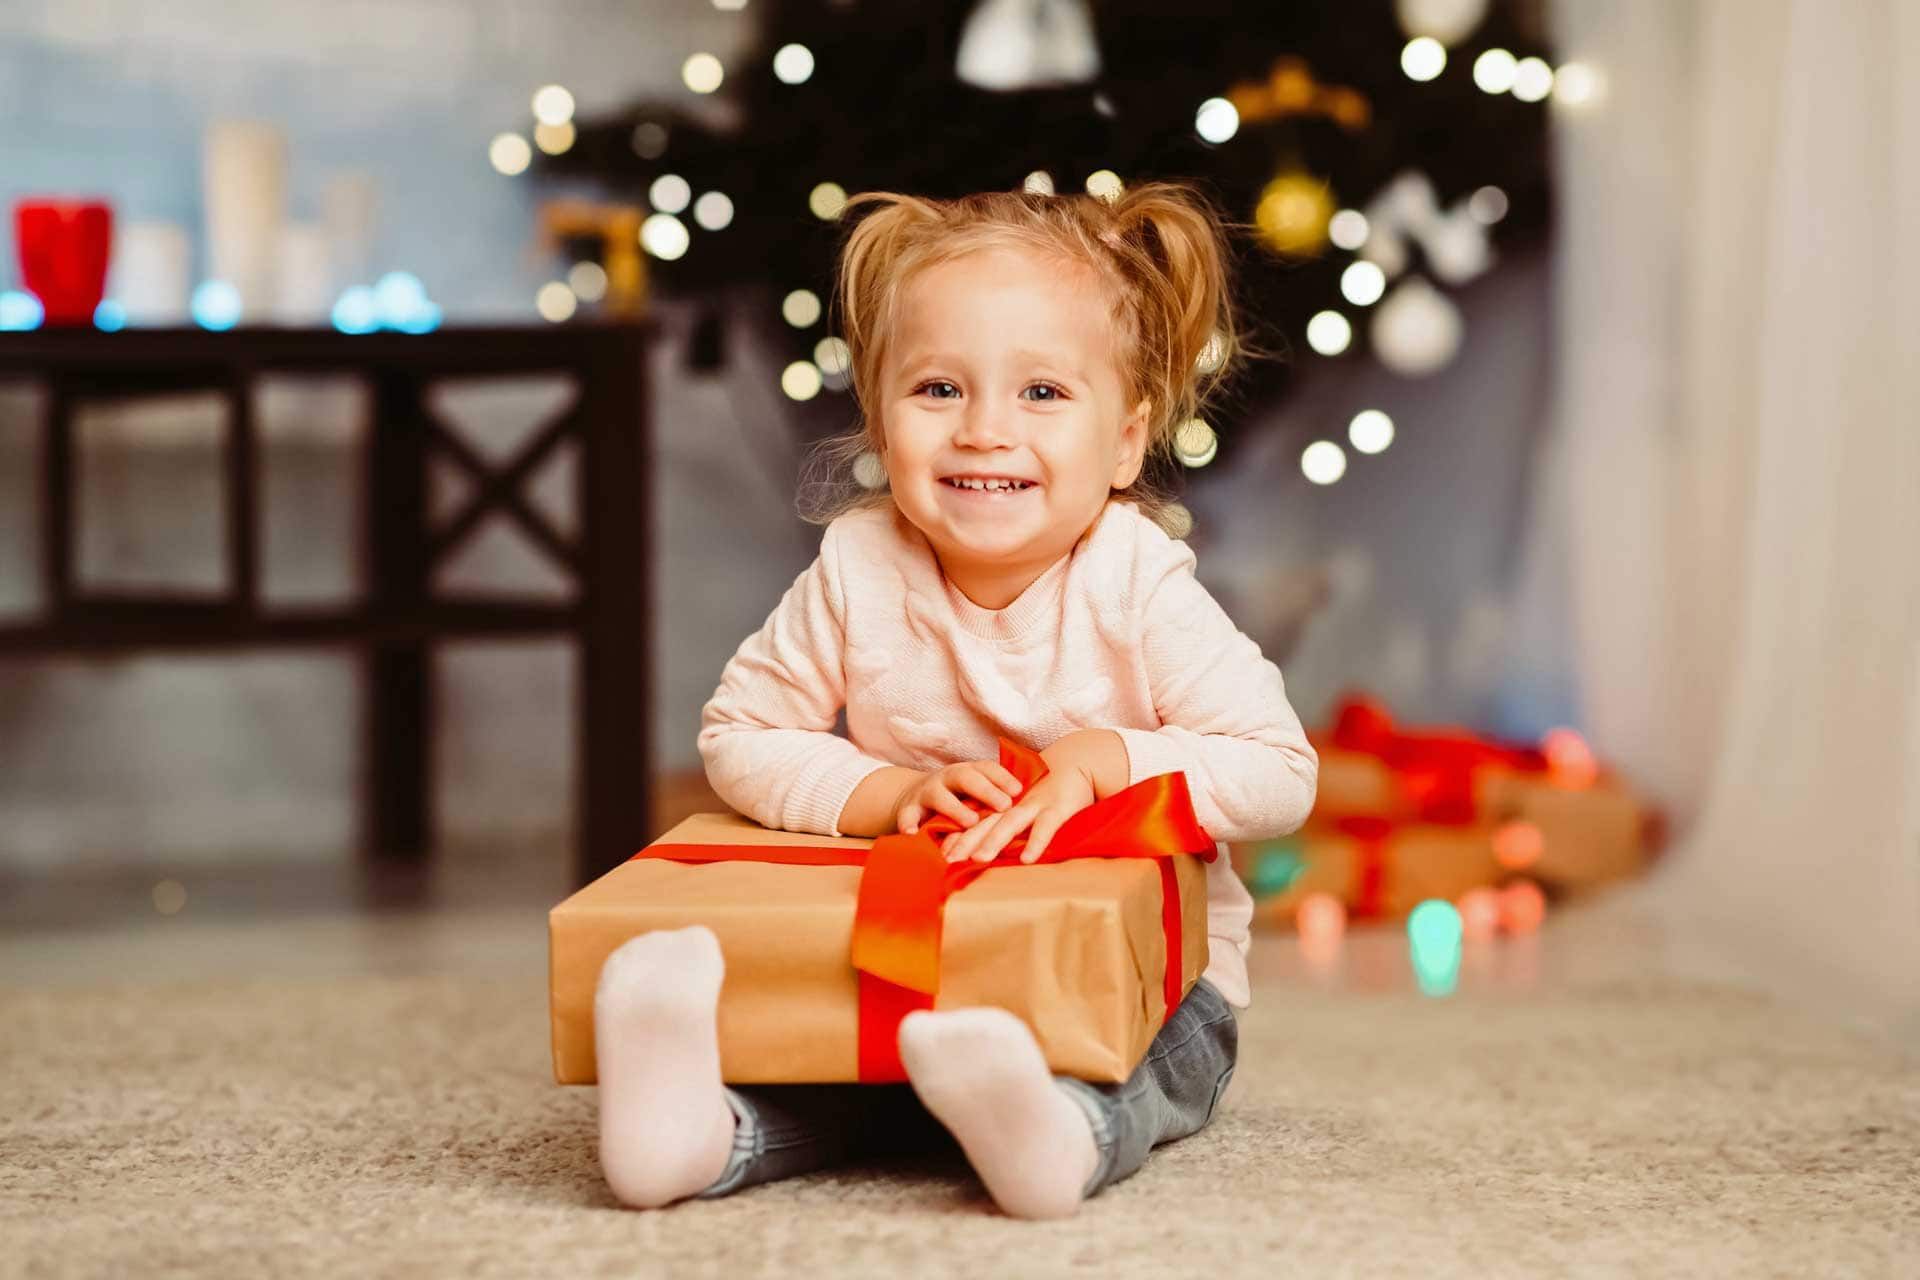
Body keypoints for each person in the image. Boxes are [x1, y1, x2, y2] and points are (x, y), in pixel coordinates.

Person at [594, 181, 1319, 1218]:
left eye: (1042, 394)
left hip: (1151, 979)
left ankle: (1057, 1131)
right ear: (882, 422)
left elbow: (1281, 769)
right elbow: (740, 733)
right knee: (841, 1058)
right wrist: (887, 790)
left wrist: (1112, 758)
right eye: (938, 389)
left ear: (1124, 440)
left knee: (1158, 1060)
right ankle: (699, 1131)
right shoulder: (859, 565)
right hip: (918, 957)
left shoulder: (1137, 579)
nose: (984, 430)